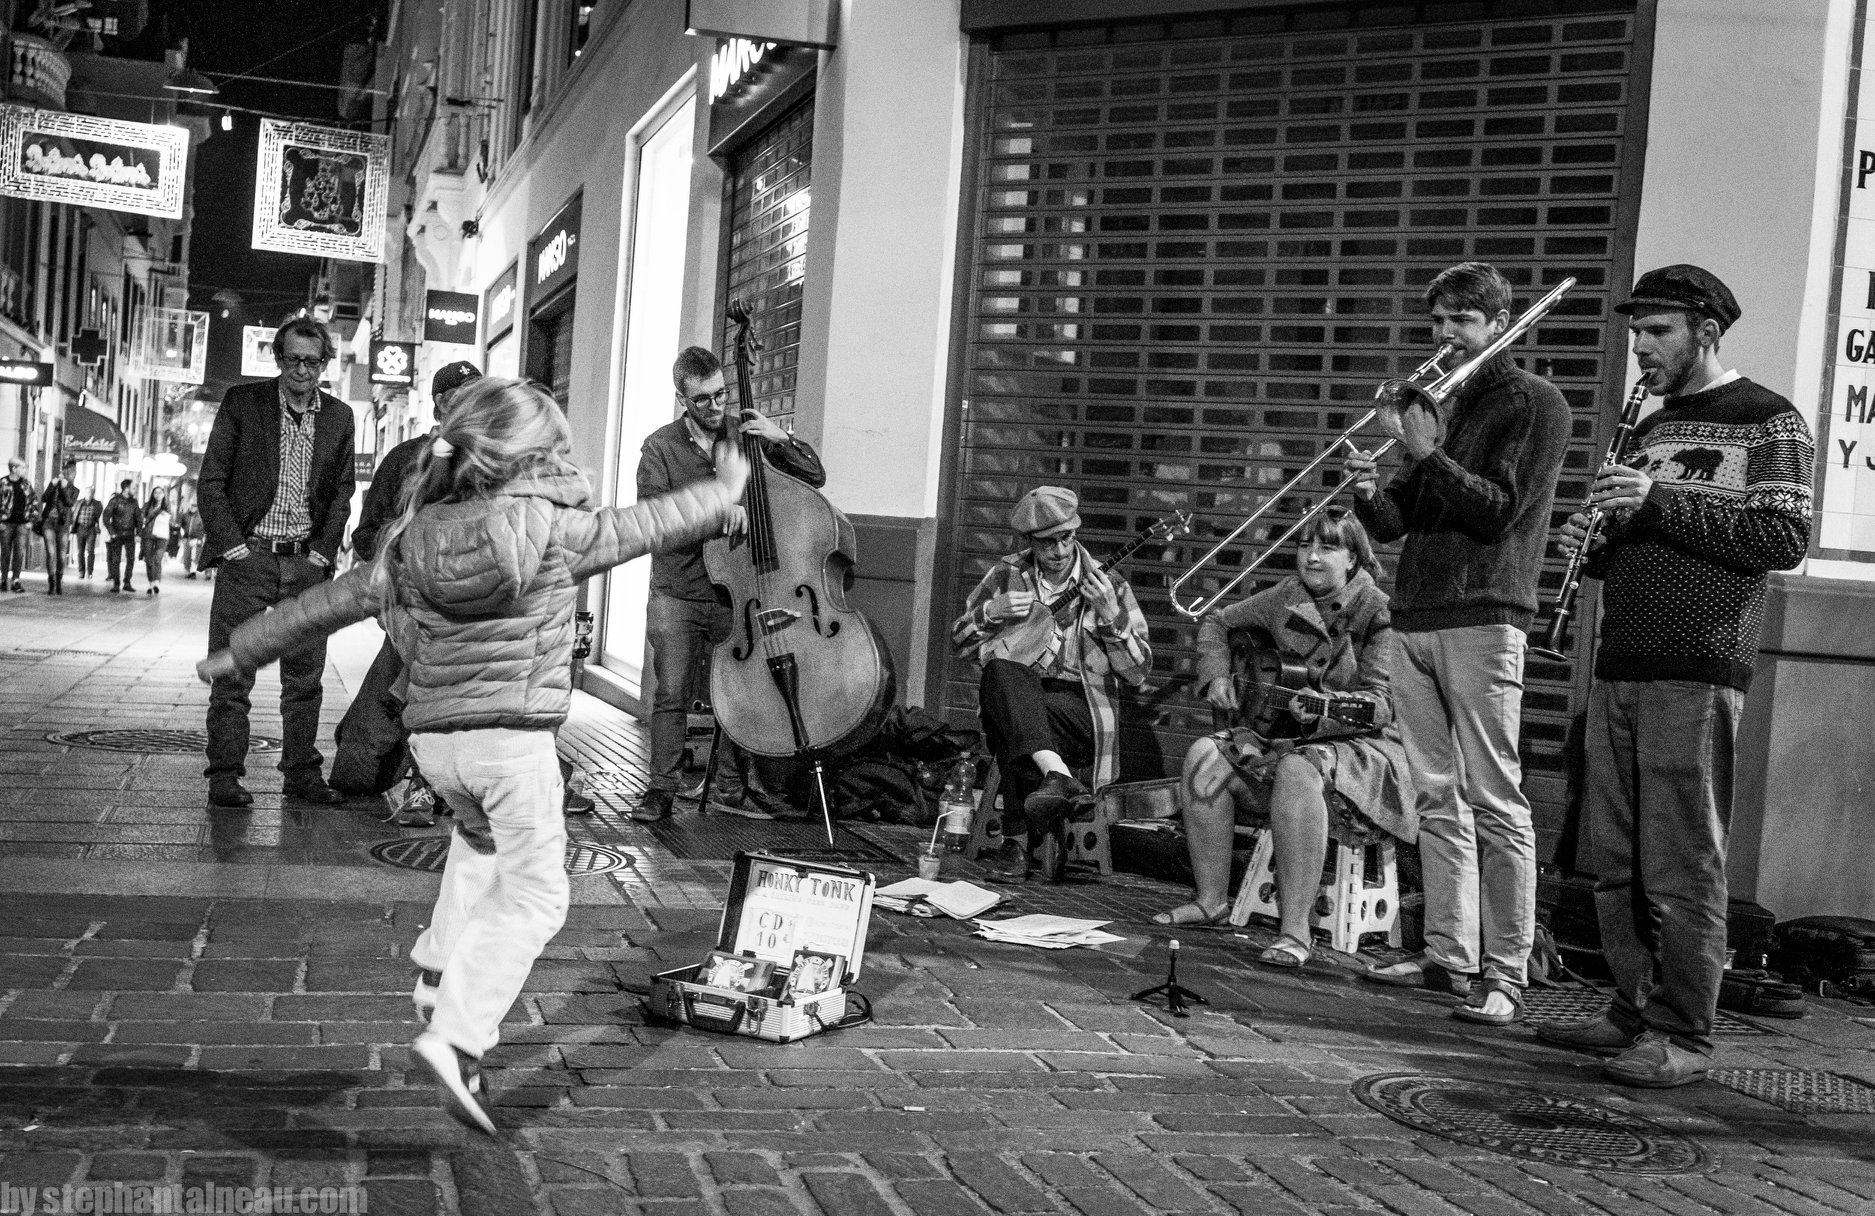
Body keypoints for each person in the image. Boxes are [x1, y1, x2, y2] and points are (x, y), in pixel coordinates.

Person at [195, 376, 748, 1135]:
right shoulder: (555, 528)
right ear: (533, 455)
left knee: (479, 838)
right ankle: (458, 1033)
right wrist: (722, 489)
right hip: (511, 739)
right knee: (537, 897)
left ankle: (437, 958)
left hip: (436, 745)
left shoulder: (416, 534)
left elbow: (328, 602)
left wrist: (239, 650)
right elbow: (652, 522)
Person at [1534, 266, 1813, 1087]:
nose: (1641, 350)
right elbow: (1646, 534)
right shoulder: (1652, 426)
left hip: (1698, 664)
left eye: (1655, 332)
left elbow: (1780, 537)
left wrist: (1652, 500)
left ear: (1705, 331)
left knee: (1683, 864)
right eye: (1634, 335)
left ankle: (1684, 1033)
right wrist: (1589, 547)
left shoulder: (1768, 420)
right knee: (1615, 861)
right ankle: (1631, 1011)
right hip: (1622, 658)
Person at [1344, 261, 1570, 1026]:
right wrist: (1363, 486)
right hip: (1414, 614)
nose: (1445, 335)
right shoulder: (1442, 404)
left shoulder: (1533, 404)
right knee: (1435, 795)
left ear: (1500, 322)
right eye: (1437, 320)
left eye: (1462, 321)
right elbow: (1394, 523)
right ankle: (1447, 955)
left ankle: (1504, 972)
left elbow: (1495, 512)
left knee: (1494, 798)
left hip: (1482, 612)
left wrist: (1427, 449)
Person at [1152, 512, 1416, 965]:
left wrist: (1323, 708)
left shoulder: (1377, 612)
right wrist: (1216, 674)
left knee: (1298, 768)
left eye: (1327, 548)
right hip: (1291, 737)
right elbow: (1217, 621)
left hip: (1366, 751)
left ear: (1353, 558)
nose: (1311, 556)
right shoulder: (1286, 595)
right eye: (1304, 545)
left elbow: (1380, 704)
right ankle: (1211, 899)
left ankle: (1295, 933)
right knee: (1204, 753)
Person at [631, 345, 827, 824]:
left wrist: (781, 440)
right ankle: (662, 790)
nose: (717, 407)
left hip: (738, 592)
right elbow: (656, 523)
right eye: (703, 400)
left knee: (740, 690)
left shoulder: (746, 435)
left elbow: (814, 478)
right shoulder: (660, 448)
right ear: (682, 397)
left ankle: (730, 787)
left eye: (721, 394)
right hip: (677, 589)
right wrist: (719, 512)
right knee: (672, 693)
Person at [953, 485, 1154, 883]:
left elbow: (1139, 673)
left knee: (1013, 717)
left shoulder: (1109, 584)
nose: (1060, 552)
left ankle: (1016, 844)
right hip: (1021, 697)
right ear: (1030, 542)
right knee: (1003, 678)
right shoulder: (1007, 576)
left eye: (1067, 539)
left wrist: (1112, 617)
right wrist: (990, 612)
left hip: (1082, 709)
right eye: (1048, 544)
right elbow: (959, 643)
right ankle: (1056, 774)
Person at [196, 317, 357, 809]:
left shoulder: (339, 416)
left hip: (304, 564)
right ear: (278, 358)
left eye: (312, 361)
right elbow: (212, 481)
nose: (302, 370)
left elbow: (342, 492)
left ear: (325, 363)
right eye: (292, 359)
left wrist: (322, 553)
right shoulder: (244, 404)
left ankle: (302, 775)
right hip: (251, 559)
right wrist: (232, 546)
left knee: (305, 680)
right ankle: (225, 775)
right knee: (233, 676)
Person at [346, 360, 484, 827]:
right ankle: (425, 784)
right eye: (461, 397)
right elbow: (364, 536)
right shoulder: (404, 460)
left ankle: (434, 776)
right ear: (441, 406)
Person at [38, 464, 78, 595]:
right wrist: (51, 485)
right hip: (48, 522)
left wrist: (64, 488)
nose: (66, 476)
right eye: (64, 473)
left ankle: (59, 580)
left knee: (61, 555)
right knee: (50, 552)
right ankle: (51, 583)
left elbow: (69, 503)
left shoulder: (74, 490)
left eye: (70, 474)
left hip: (63, 524)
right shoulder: (53, 486)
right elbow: (43, 498)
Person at [1, 458, 34, 592]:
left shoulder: (26, 484)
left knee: (19, 552)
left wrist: (31, 521)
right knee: (5, 552)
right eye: (23, 468)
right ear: (14, 469)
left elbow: (33, 501)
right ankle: (3, 579)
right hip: (6, 524)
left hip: (22, 524)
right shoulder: (3, 483)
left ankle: (16, 580)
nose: (25, 470)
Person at [103, 478, 141, 593]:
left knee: (131, 559)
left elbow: (139, 519)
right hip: (117, 534)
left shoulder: (134, 502)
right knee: (116, 559)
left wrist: (138, 534)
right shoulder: (115, 500)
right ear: (126, 488)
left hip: (130, 534)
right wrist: (112, 532)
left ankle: (127, 582)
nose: (135, 490)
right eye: (133, 488)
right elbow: (106, 517)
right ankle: (116, 583)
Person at [140, 489, 172, 595]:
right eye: (155, 492)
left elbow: (170, 521)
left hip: (162, 536)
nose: (158, 495)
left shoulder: (167, 506)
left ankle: (156, 582)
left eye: (160, 493)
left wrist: (165, 515)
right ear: (152, 494)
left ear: (164, 495)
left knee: (158, 558)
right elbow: (142, 517)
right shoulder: (147, 505)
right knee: (148, 560)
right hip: (148, 534)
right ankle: (151, 583)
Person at [72, 486, 102, 580]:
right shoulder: (79, 503)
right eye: (88, 492)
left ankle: (90, 572)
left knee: (90, 551)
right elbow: (74, 513)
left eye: (91, 492)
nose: (89, 494)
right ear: (85, 493)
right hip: (80, 528)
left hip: (91, 528)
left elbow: (99, 514)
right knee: (80, 551)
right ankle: (81, 571)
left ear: (93, 494)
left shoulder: (97, 504)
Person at [180, 502, 206, 579]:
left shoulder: (200, 516)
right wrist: (183, 537)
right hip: (187, 538)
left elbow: (203, 529)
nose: (193, 508)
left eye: (195, 506)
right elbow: (182, 526)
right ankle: (187, 571)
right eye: (192, 506)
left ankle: (193, 572)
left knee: (196, 556)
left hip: (196, 539)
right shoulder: (185, 515)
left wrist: (199, 539)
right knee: (187, 555)